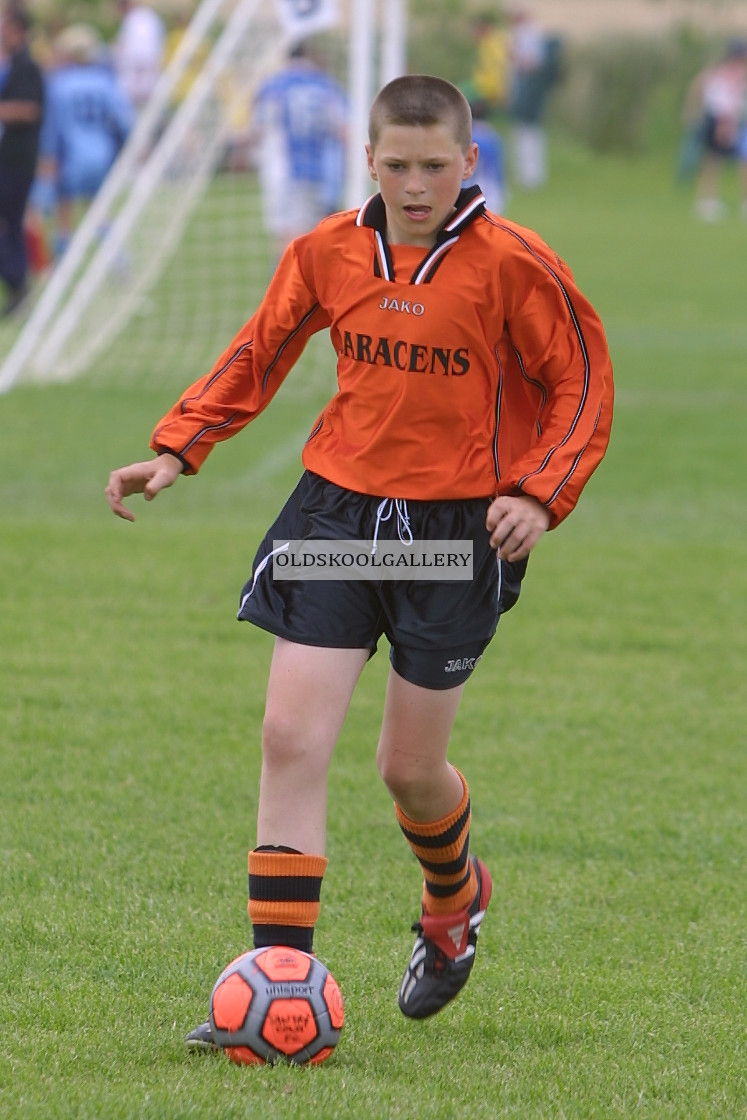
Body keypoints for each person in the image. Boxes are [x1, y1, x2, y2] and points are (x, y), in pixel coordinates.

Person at [105, 75, 614, 1043]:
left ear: (469, 163)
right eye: (397, 164)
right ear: (367, 160)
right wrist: (180, 445)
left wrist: (538, 492)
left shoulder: (512, 264)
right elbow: (262, 347)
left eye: (435, 166)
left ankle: (454, 900)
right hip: (335, 512)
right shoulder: (326, 250)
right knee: (290, 735)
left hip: (456, 534)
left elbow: (581, 380)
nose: (416, 184)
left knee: (406, 770)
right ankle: (277, 984)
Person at [32, 23, 134, 259]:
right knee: (99, 211)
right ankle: (119, 259)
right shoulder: (105, 81)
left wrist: (49, 159)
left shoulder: (58, 84)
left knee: (63, 213)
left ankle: (62, 263)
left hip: (72, 157)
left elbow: (52, 129)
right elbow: (123, 121)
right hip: (102, 154)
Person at [251, 40, 348, 263]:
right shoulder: (326, 85)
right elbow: (344, 128)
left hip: (281, 172)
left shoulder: (273, 85)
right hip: (320, 172)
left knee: (287, 238)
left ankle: (287, 291)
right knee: (315, 236)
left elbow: (257, 126)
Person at [0, 2, 44, 315]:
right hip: (10, 158)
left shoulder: (27, 65)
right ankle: (17, 287)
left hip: (18, 160)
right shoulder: (13, 63)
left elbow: (30, 108)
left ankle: (19, 287)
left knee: (11, 222)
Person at [690, 40, 747, 221]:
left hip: (736, 121)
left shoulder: (737, 73)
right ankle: (706, 201)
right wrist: (723, 124)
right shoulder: (724, 73)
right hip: (722, 120)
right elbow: (721, 99)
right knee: (714, 160)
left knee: (742, 161)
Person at [507, 6, 562, 190]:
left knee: (527, 132)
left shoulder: (528, 33)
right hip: (527, 90)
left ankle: (530, 176)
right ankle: (529, 175)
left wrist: (515, 58)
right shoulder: (529, 32)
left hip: (529, 90)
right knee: (526, 132)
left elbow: (533, 63)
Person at [111, 0, 165, 116]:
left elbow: (138, 54)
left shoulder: (135, 20)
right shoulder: (149, 17)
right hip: (149, 74)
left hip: (137, 75)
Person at [463, 96, 508, 214]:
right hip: (492, 189)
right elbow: (499, 167)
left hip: (470, 189)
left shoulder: (467, 137)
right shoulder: (494, 137)